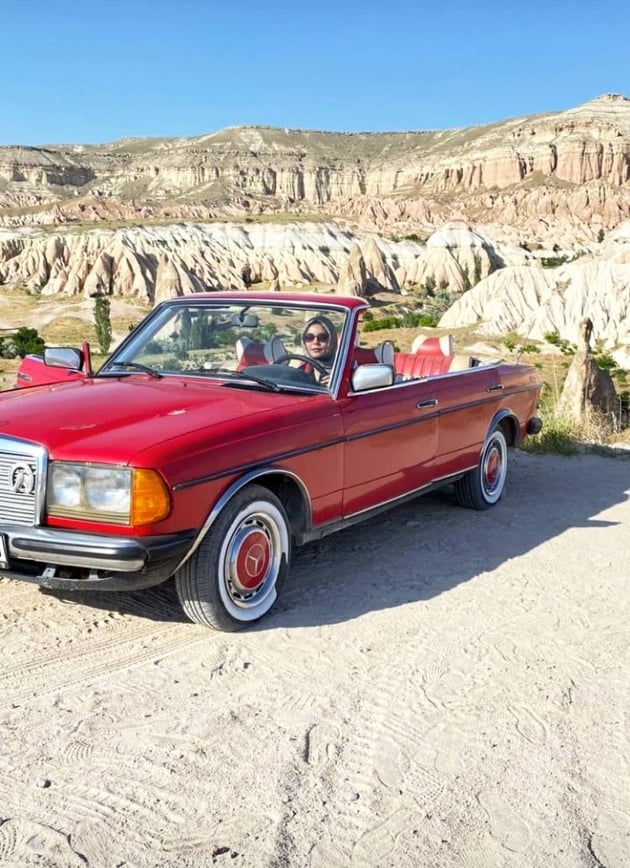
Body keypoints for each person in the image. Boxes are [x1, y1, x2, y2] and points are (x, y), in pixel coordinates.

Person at [301, 315, 338, 384]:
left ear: (332, 340)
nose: (316, 342)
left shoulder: (343, 370)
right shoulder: (301, 370)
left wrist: (340, 383)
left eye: (322, 337)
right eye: (309, 337)